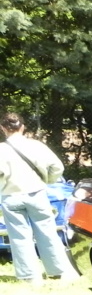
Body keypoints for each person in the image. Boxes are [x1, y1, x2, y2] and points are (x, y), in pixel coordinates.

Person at [0, 112, 77, 283]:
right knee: (47, 231)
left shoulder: (2, 150)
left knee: (19, 236)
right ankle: (59, 271)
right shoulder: (36, 145)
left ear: (3, 128)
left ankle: (29, 276)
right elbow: (57, 166)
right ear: (23, 126)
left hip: (10, 195)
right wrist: (47, 180)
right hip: (36, 193)